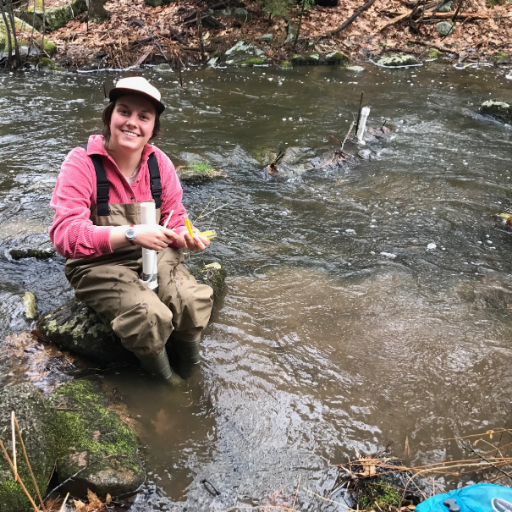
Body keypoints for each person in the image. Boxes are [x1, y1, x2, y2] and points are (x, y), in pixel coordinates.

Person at [50, 77, 213, 383]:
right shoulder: (81, 162)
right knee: (149, 315)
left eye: (143, 117)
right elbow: (65, 235)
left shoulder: (160, 164)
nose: (132, 123)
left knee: (191, 300)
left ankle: (191, 370)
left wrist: (183, 236)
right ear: (110, 115)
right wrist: (130, 233)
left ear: (153, 128)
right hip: (98, 263)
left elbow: (175, 216)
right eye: (124, 111)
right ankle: (168, 383)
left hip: (156, 254)